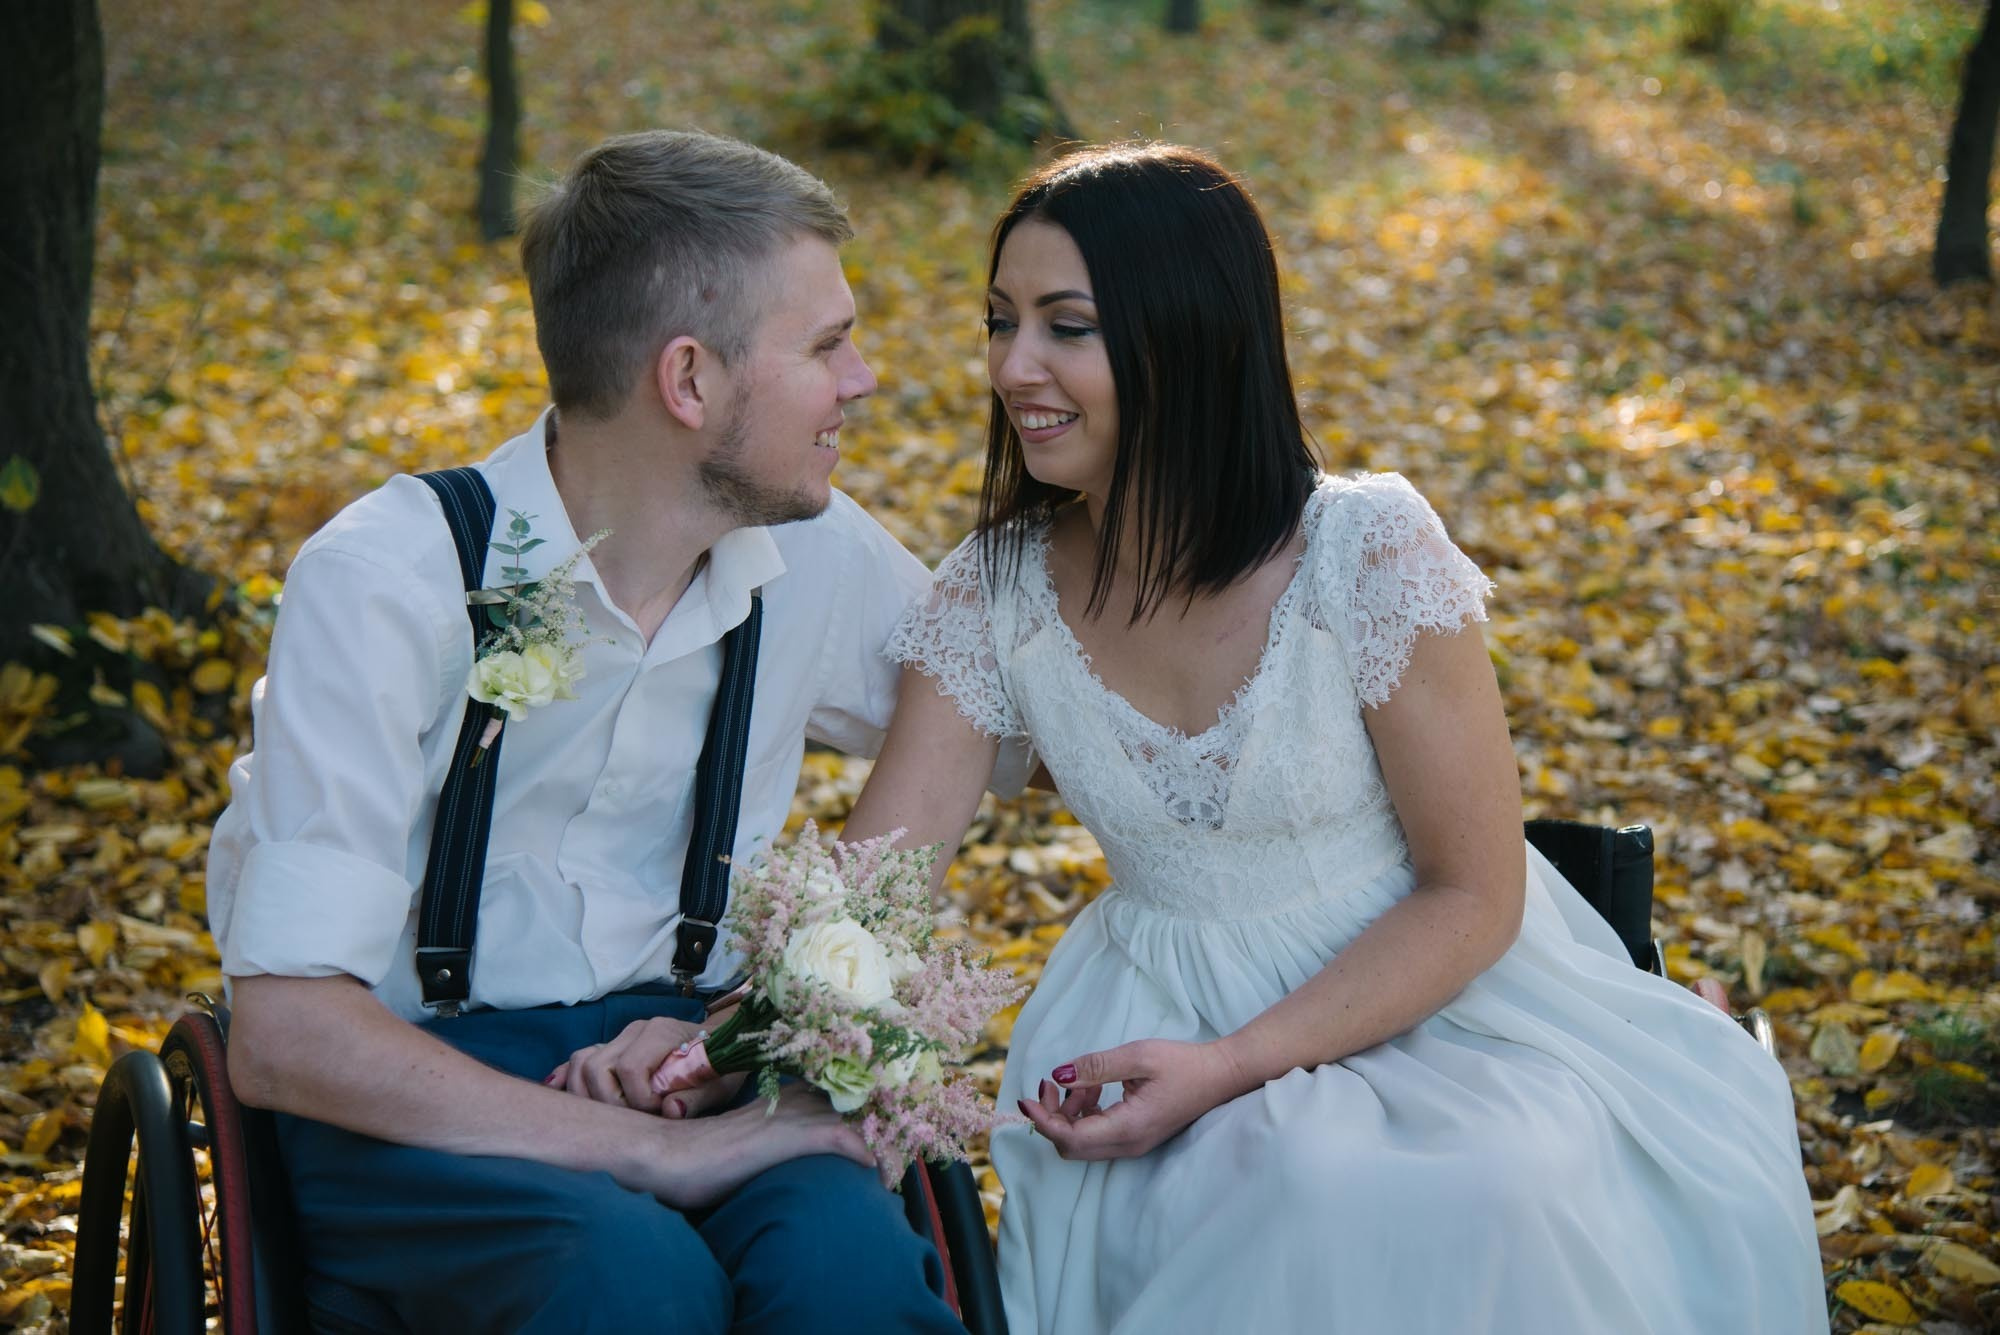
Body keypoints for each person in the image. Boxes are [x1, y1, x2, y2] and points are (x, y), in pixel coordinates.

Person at [838, 144, 1829, 1333]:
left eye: (1067, 328)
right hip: (1153, 1017)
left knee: (1463, 1183)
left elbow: (1472, 890)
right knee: (1274, 1180)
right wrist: (740, 1042)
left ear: (1188, 335)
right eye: (1000, 322)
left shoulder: (1360, 551)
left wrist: (1237, 1064)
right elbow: (871, 899)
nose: (1013, 367)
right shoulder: (992, 594)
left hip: (1437, 998)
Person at [206, 130, 1000, 1334]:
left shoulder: (816, 557)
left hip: (696, 1064)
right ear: (688, 382)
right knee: (626, 1283)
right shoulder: (387, 581)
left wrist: (768, 1021)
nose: (864, 380)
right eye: (827, 345)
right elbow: (287, 1037)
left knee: (851, 1280)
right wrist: (643, 1159)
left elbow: (1030, 723)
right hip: (420, 1103)